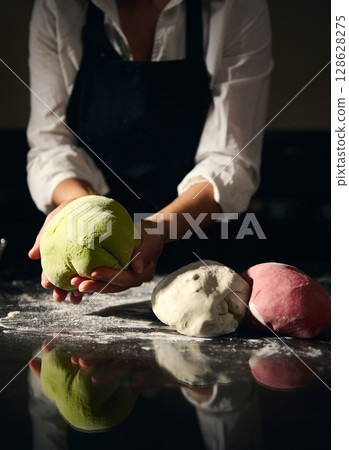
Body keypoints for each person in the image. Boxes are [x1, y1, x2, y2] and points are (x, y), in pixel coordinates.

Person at [27, 0, 273, 303]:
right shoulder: (59, 7)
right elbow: (51, 145)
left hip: (204, 248)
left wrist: (156, 229)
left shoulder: (236, 7)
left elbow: (231, 160)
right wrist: (84, 213)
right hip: (97, 263)